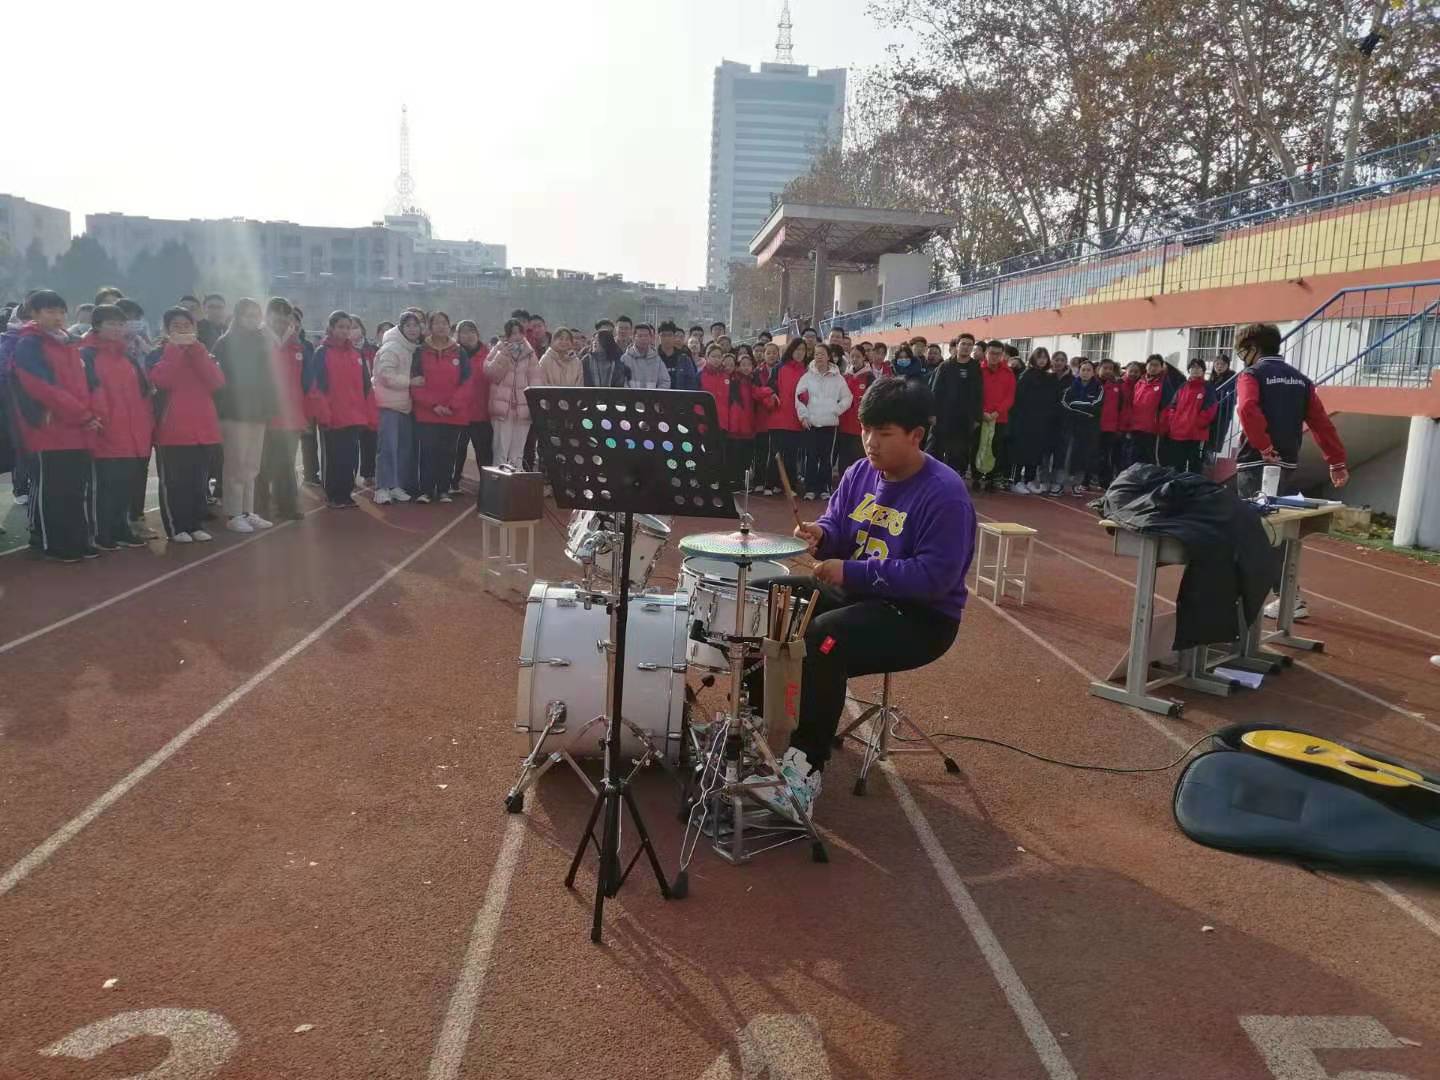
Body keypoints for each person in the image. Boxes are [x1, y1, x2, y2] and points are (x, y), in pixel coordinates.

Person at [742, 376, 975, 821]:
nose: (870, 442)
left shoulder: (945, 494)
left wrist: (852, 570)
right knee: (761, 601)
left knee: (824, 639)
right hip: (855, 592)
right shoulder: (859, 472)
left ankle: (804, 773)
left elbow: (934, 578)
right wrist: (821, 534)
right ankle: (752, 722)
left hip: (920, 616)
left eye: (883, 433)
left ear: (916, 435)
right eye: (866, 430)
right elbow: (837, 525)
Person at [1231, 322, 1349, 621]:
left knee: (1256, 530)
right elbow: (1321, 423)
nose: (1240, 357)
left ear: (1253, 348)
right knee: (1275, 529)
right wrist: (1336, 461)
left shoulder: (1252, 375)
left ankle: (1276, 596)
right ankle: (1283, 594)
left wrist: (1263, 445)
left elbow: (1247, 409)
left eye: (1241, 351)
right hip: (1285, 462)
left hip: (1256, 461)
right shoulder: (1301, 380)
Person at [11, 290, 101, 561]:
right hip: (48, 430)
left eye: (61, 311)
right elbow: (43, 389)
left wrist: (88, 414)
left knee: (75, 489)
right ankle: (53, 543)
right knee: (53, 490)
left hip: (76, 428)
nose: (58, 317)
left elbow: (84, 385)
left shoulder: (69, 344)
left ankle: (77, 539)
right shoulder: (29, 345)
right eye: (50, 311)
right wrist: (81, 414)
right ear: (34, 314)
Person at [147, 306, 226, 543]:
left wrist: (198, 352)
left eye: (187, 325)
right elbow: (163, 380)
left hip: (203, 429)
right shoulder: (158, 354)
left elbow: (217, 382)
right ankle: (176, 526)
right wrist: (174, 351)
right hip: (172, 430)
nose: (182, 330)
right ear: (166, 330)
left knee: (198, 481)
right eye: (176, 326)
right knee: (174, 483)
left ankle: (195, 523)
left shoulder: (203, 353)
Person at [80, 304, 153, 549]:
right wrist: (97, 421)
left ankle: (121, 528)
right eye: (111, 323)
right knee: (104, 488)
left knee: (124, 486)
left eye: (121, 324)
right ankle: (101, 533)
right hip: (103, 433)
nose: (117, 328)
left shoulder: (128, 357)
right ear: (97, 326)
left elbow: (143, 394)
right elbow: (86, 391)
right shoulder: (86, 355)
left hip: (131, 434)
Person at [212, 298, 278, 532]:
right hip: (234, 412)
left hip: (257, 413)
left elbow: (269, 378)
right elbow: (220, 380)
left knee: (252, 465)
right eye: (248, 315)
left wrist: (269, 408)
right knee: (236, 464)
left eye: (256, 315)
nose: (253, 320)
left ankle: (248, 511)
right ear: (237, 317)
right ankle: (233, 513)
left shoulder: (262, 342)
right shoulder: (225, 343)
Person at [305, 311, 372, 509]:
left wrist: (366, 412)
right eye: (340, 327)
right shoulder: (322, 353)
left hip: (354, 415)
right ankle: (334, 495)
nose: (344, 331)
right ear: (331, 328)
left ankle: (346, 493)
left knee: (350, 457)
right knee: (334, 457)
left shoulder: (357, 354)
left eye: (348, 327)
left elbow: (366, 385)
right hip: (332, 415)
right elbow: (316, 386)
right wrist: (323, 413)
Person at [410, 311, 471, 504]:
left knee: (448, 452)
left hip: (452, 413)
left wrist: (452, 405)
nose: (441, 326)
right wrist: (433, 405)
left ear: (449, 326)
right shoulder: (420, 351)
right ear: (429, 327)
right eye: (436, 323)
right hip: (428, 412)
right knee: (428, 451)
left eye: (444, 323)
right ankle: (426, 490)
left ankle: (444, 489)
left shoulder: (459, 352)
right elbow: (415, 382)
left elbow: (467, 382)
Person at [254, 298, 305, 523]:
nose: (282, 321)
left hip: (291, 415)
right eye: (277, 315)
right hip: (265, 413)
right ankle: (260, 507)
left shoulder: (296, 344)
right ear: (268, 316)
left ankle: (287, 506)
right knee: (263, 464)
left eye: (286, 316)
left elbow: (305, 382)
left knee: (286, 463)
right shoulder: (258, 340)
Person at [371, 312, 423, 504]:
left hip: (403, 405)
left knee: (402, 448)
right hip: (388, 405)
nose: (412, 329)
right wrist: (410, 381)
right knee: (387, 448)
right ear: (400, 328)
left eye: (416, 325)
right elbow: (385, 375)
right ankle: (381, 488)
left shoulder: (410, 348)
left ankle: (395, 486)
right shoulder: (392, 347)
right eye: (408, 325)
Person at [796, 344, 851, 499]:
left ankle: (825, 488)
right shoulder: (807, 377)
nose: (819, 357)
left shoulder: (838, 378)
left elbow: (847, 397)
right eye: (816, 354)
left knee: (826, 458)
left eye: (822, 354)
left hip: (829, 424)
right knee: (811, 457)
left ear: (828, 357)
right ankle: (810, 489)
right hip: (811, 423)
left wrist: (837, 410)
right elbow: (799, 398)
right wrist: (803, 416)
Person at [485, 317, 541, 469]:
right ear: (506, 335)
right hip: (502, 408)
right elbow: (491, 374)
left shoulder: (530, 353)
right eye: (513, 333)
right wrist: (503, 354)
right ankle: (499, 479)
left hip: (523, 408)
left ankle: (516, 480)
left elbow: (535, 380)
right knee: (501, 450)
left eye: (519, 333)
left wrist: (534, 406)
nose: (517, 337)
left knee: (518, 453)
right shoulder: (498, 350)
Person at [929, 333, 983, 478]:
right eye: (963, 344)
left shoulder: (975, 367)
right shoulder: (945, 366)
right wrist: (932, 414)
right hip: (944, 415)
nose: (966, 347)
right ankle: (934, 477)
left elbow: (979, 394)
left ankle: (956, 477)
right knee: (937, 449)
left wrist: (977, 418)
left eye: (969, 345)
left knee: (960, 451)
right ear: (957, 346)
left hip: (965, 417)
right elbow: (935, 391)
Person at [451, 319, 493, 494]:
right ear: (458, 335)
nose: (468, 336)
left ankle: (488, 486)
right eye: (463, 332)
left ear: (477, 334)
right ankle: (453, 482)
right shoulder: (453, 355)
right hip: (459, 413)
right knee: (457, 450)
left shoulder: (489, 355)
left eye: (471, 332)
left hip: (481, 412)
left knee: (484, 452)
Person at [1008, 348, 1058, 494]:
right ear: (1033, 359)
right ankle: (1015, 480)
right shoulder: (1026, 375)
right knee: (1021, 451)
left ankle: (1029, 480)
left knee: (1036, 452)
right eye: (1039, 357)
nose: (1042, 360)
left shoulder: (1049, 377)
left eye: (1045, 357)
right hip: (1024, 420)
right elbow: (1018, 398)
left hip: (1041, 421)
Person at [1160, 359, 1217, 473]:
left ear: (1203, 371)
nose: (1195, 370)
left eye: (1198, 367)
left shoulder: (1207, 387)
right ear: (1189, 370)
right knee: (1177, 464)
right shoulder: (1182, 387)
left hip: (1196, 434)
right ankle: (1177, 484)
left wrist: (1198, 423)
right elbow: (1172, 406)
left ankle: (1194, 485)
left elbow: (1211, 408)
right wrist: (1173, 421)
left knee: (1195, 465)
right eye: (1193, 367)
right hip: (1178, 432)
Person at [768, 338, 808, 496]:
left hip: (796, 418)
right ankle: (771, 484)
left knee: (792, 455)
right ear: (791, 350)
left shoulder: (806, 371)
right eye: (797, 349)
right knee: (776, 454)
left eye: (803, 350)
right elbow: (769, 388)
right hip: (778, 417)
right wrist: (773, 396)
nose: (800, 353)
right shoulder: (779, 367)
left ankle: (790, 486)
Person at [975, 340, 1016, 492]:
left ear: (1002, 355)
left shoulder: (1008, 373)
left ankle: (991, 479)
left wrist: (997, 412)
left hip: (999, 418)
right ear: (986, 353)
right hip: (980, 416)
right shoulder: (978, 370)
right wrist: (982, 412)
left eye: (998, 354)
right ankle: (976, 477)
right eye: (992, 353)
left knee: (995, 448)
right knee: (977, 446)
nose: (994, 357)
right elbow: (973, 394)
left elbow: (1010, 397)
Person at [1059, 359, 1103, 495]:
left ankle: (1076, 484)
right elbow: (1065, 404)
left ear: (1093, 372)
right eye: (1083, 370)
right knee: (1068, 455)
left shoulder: (1099, 388)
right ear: (1078, 371)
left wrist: (1076, 406)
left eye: (1089, 370)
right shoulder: (1070, 387)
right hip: (1072, 426)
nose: (1085, 372)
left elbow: (1095, 406)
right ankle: (1062, 483)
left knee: (1083, 456)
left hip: (1089, 428)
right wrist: (1083, 410)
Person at [836, 344, 874, 477]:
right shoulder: (845, 376)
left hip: (860, 427)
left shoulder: (869, 377)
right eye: (852, 356)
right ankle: (843, 484)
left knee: (859, 460)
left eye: (858, 356)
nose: (854, 359)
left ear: (864, 357)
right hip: (844, 425)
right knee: (844, 460)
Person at [351, 318, 378, 490]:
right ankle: (350, 473)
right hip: (353, 399)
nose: (353, 331)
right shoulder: (346, 351)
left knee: (370, 437)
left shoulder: (372, 349)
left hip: (371, 397)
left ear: (362, 329)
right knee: (353, 440)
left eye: (356, 327)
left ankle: (369, 473)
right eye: (350, 327)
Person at [1097, 358, 1125, 486]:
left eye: (1110, 369)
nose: (1108, 371)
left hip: (1110, 427)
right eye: (1105, 368)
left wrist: (1119, 427)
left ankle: (1104, 481)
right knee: (1092, 454)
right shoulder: (1094, 384)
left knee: (1106, 455)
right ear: (1099, 369)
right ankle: (1086, 480)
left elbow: (1121, 408)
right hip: (1094, 426)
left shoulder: (1117, 386)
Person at [622, 323, 671, 389]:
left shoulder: (657, 360)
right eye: (640, 336)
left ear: (650, 338)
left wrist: (655, 394)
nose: (643, 338)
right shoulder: (625, 359)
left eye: (646, 336)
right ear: (633, 338)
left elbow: (665, 381)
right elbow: (621, 381)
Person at [657, 320, 700, 390]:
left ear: (674, 337)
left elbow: (691, 383)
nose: (667, 338)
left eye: (670, 335)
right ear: (658, 337)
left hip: (680, 395)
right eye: (663, 335)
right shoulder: (653, 358)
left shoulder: (684, 359)